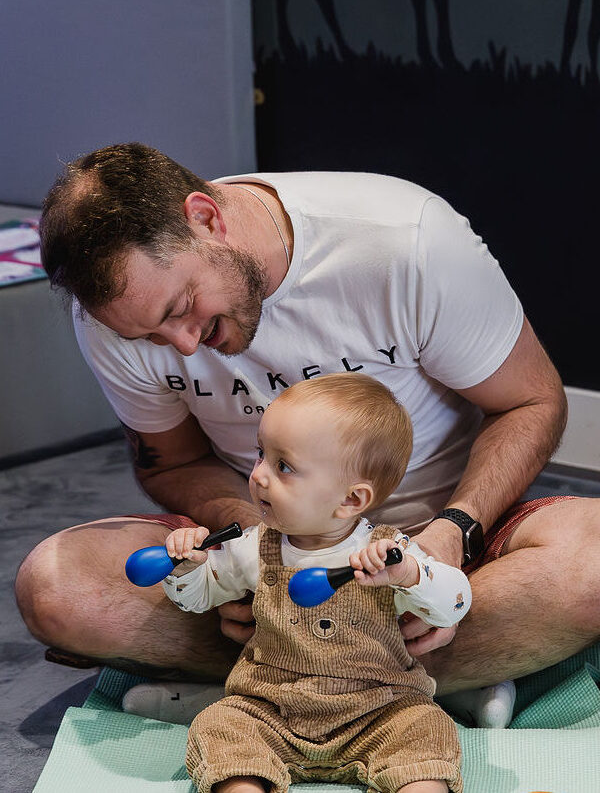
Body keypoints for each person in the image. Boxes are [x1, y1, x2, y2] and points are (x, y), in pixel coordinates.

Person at [15, 143, 598, 713]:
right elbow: (172, 461)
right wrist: (250, 539)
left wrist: (454, 531)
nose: (184, 345)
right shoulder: (117, 315)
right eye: (148, 338)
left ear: (206, 218)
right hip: (268, 559)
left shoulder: (404, 241)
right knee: (57, 585)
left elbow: (531, 403)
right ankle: (434, 683)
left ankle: (267, 693)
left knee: (590, 563)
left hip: (443, 542)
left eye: (179, 309)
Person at [154, 373, 468, 793]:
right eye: (260, 455)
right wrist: (186, 569)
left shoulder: (390, 551)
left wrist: (411, 575)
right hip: (271, 708)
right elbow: (197, 600)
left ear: (351, 501)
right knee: (220, 725)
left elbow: (456, 602)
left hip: (379, 710)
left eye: (283, 466)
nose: (260, 476)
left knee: (426, 729)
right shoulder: (253, 547)